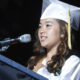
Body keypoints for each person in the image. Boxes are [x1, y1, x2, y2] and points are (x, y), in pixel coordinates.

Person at [26, 2, 80, 80]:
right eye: (40, 26)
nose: (41, 30)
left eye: (48, 25)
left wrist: (41, 72)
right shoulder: (36, 61)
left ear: (63, 32)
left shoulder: (73, 62)